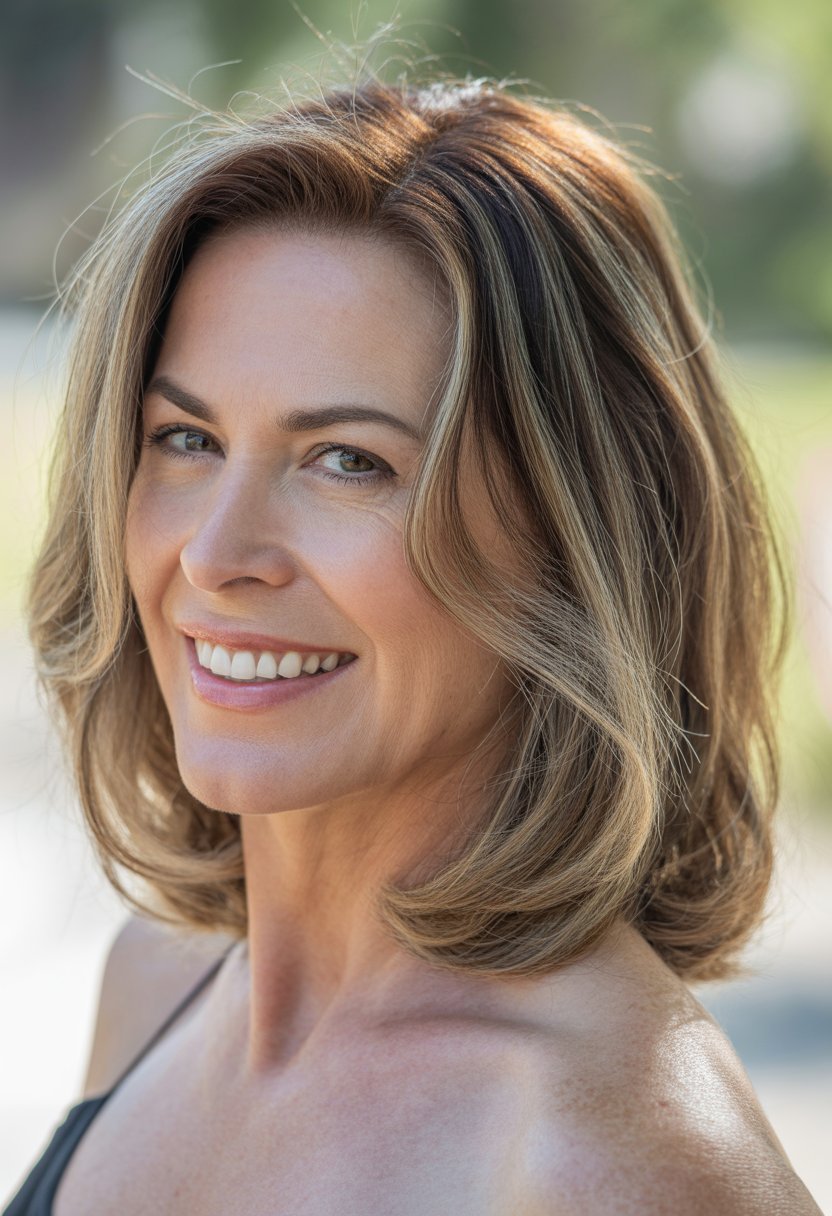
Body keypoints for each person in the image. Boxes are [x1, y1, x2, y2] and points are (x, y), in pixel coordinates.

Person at [4, 67, 822, 1215]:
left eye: (349, 461)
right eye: (185, 437)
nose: (216, 552)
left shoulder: (608, 1159)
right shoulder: (158, 987)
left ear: (570, 535)